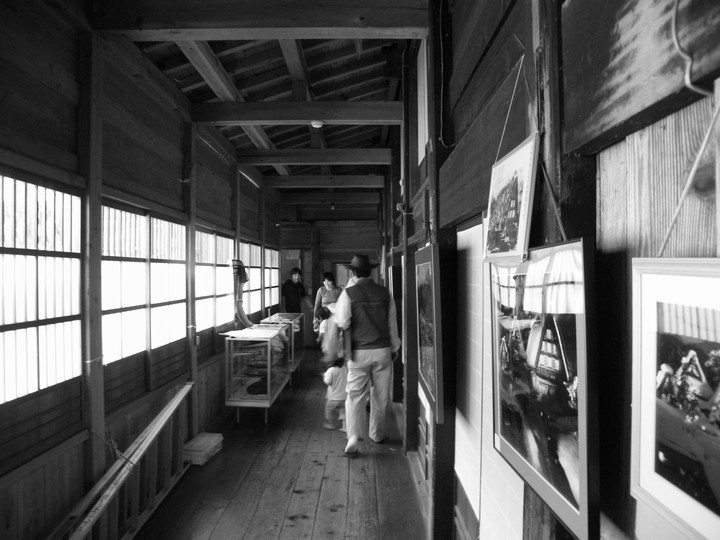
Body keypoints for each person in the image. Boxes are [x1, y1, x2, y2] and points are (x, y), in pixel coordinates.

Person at [335, 254, 401, 455]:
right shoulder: (385, 293)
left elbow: (343, 322)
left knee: (354, 395)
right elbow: (392, 323)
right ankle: (377, 434)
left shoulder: (348, 293)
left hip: (359, 352)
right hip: (382, 351)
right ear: (370, 271)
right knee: (380, 396)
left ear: (353, 273)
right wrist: (395, 347)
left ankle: (353, 437)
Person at [313, 272, 343, 341]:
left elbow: (342, 304)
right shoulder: (321, 290)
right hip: (324, 314)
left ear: (332, 281)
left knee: (334, 336)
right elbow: (316, 306)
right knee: (324, 327)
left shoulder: (338, 290)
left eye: (328, 281)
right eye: (324, 281)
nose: (326, 283)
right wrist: (314, 319)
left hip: (335, 314)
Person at [323, 357, 348, 431]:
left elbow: (328, 381)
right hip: (344, 396)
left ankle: (331, 424)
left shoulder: (331, 370)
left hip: (334, 397)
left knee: (329, 410)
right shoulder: (345, 369)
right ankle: (345, 427)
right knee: (343, 411)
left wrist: (324, 376)